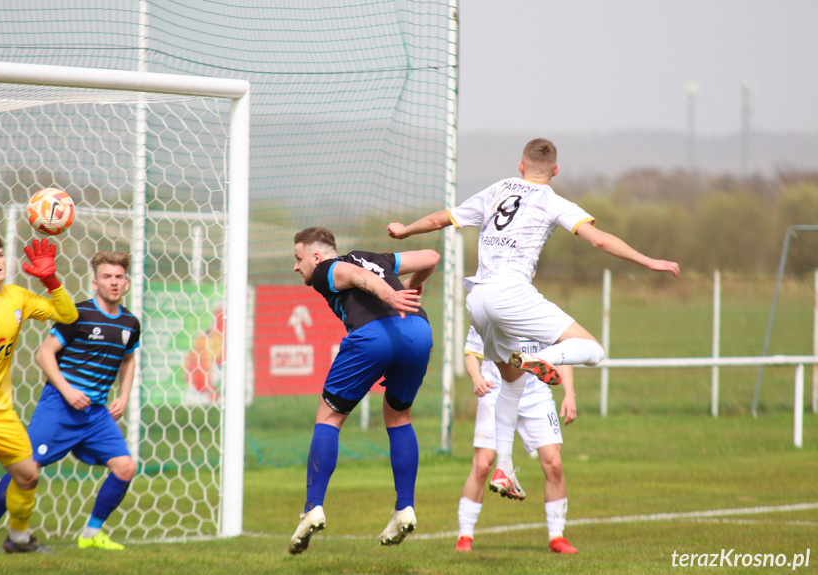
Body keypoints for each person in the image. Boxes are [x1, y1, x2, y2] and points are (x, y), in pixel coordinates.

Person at [387, 138, 679, 499]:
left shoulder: (498, 189)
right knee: (593, 349)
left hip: (477, 298)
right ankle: (539, 359)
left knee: (512, 384)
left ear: (521, 165)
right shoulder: (554, 201)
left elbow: (440, 218)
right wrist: (651, 262)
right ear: (555, 170)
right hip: (511, 294)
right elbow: (600, 241)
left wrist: (405, 230)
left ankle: (505, 469)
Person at [0, 250, 140, 554]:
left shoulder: (130, 323)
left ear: (126, 283)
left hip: (96, 414)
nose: (113, 283)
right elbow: (43, 354)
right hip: (59, 407)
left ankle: (91, 533)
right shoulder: (77, 315)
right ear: (95, 282)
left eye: (118, 277)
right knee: (25, 468)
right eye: (107, 277)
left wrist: (124, 395)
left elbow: (128, 359)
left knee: (126, 466)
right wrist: (67, 390)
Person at [288, 227, 440, 555]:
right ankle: (405, 508)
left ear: (317, 255)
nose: (296, 267)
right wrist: (408, 288)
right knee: (398, 416)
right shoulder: (376, 259)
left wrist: (392, 296)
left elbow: (352, 274)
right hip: (418, 331)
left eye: (298, 259)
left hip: (376, 335)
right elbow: (432, 257)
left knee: (328, 416)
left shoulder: (326, 269)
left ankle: (313, 506)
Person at [0, 231, 77, 554]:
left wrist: (51, 280)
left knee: (28, 476)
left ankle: (19, 539)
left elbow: (68, 316)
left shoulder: (17, 297)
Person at [455, 326, 578, 554]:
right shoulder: (489, 312)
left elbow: (563, 355)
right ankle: (464, 537)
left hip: (536, 396)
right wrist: (476, 378)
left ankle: (557, 537)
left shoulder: (540, 313)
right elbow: (471, 352)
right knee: (483, 465)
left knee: (554, 464)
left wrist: (569, 394)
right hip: (495, 392)